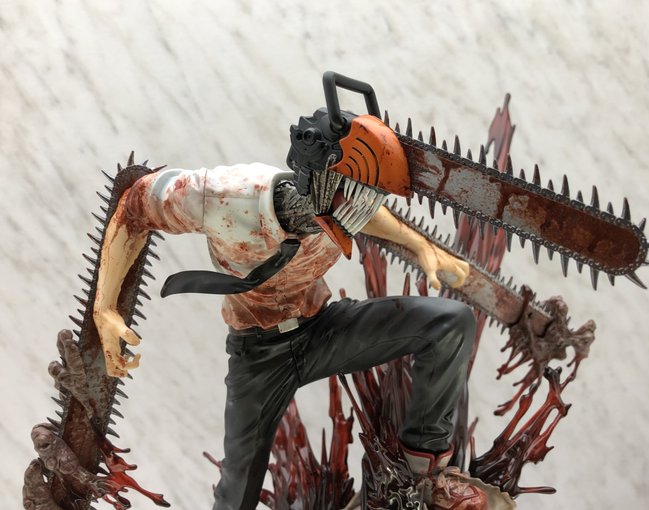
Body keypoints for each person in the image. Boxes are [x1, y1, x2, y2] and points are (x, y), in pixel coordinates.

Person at [92, 75, 475, 510]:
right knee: (237, 492)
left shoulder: (340, 207)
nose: (365, 209)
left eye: (369, 199)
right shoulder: (223, 196)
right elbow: (134, 205)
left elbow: (363, 212)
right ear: (324, 182)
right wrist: (105, 307)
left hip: (323, 328)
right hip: (259, 353)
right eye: (357, 196)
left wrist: (420, 246)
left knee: (450, 323)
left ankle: (420, 473)